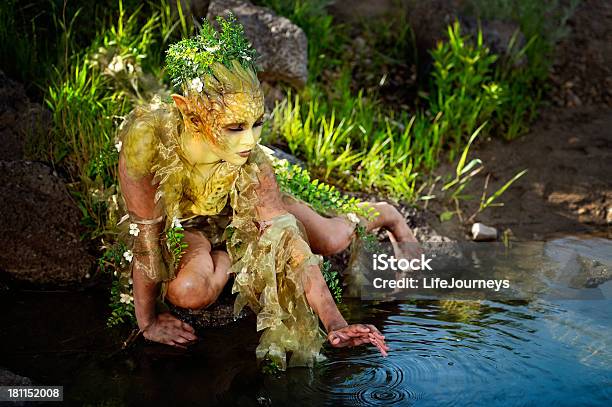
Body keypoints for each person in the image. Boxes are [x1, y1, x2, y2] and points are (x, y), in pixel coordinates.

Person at [115, 13, 417, 370]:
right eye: (235, 127)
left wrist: (336, 324)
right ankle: (239, 257)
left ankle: (387, 214)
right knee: (188, 293)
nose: (250, 141)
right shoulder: (147, 139)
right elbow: (147, 234)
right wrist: (146, 322)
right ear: (190, 112)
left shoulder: (253, 163)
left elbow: (291, 245)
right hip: (188, 226)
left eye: (257, 124)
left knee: (333, 239)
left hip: (248, 213)